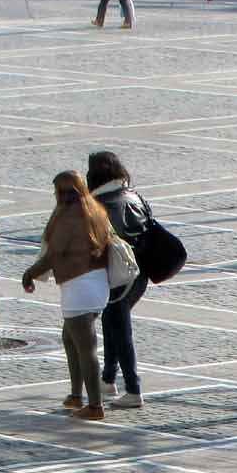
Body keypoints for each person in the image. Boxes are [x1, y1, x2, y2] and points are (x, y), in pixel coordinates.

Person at [21, 171, 113, 421]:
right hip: (97, 283)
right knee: (70, 338)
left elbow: (53, 255)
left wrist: (29, 273)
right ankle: (76, 396)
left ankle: (94, 406)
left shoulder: (68, 217)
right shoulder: (96, 210)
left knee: (86, 346)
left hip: (78, 285)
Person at [87, 150, 149, 409]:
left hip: (118, 274)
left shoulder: (100, 205)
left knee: (119, 328)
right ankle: (108, 377)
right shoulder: (135, 196)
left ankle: (133, 389)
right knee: (113, 321)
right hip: (140, 273)